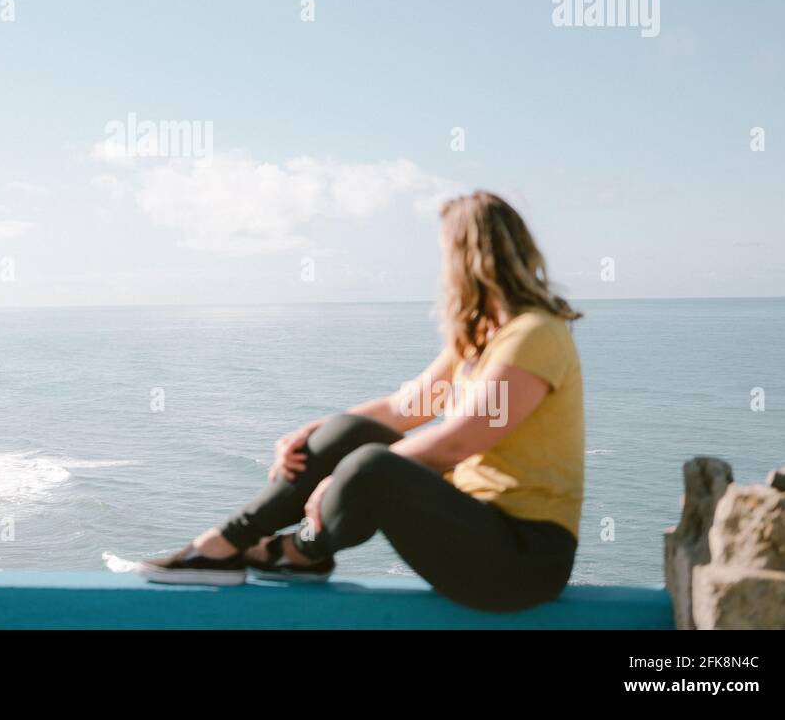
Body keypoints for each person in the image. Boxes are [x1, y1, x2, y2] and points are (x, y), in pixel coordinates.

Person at [138, 190, 585, 612]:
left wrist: (347, 477)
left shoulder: (534, 334)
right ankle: (224, 545)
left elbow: (456, 443)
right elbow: (403, 408)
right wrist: (314, 430)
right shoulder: (481, 338)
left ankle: (300, 551)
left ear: (469, 259)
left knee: (370, 465)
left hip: (523, 559)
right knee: (349, 433)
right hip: (473, 530)